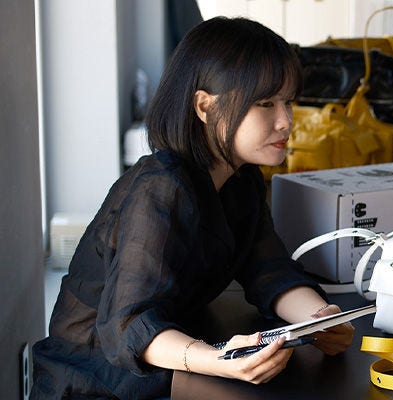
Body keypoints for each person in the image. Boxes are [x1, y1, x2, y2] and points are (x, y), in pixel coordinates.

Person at [32, 17, 354, 399]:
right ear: (205, 105)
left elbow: (269, 270)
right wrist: (219, 359)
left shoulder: (242, 179)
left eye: (288, 102)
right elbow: (128, 326)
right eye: (266, 103)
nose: (286, 121)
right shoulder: (161, 187)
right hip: (95, 377)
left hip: (167, 357)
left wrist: (319, 319)